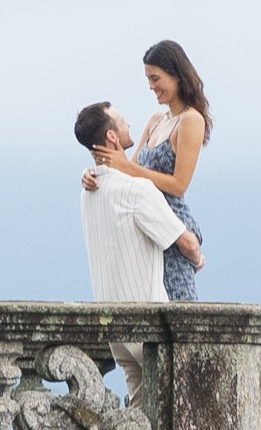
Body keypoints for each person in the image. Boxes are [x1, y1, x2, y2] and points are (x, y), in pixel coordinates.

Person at [84, 40, 212, 305]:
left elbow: (179, 184)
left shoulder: (190, 120)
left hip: (172, 227)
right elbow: (125, 171)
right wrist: (92, 173)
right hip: (146, 224)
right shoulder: (156, 120)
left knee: (177, 312)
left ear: (176, 75)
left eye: (155, 78)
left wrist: (128, 167)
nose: (151, 86)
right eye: (148, 79)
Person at [75, 101, 203, 306]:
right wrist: (197, 259)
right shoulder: (137, 191)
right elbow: (188, 244)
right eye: (123, 121)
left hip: (108, 311)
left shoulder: (88, 193)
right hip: (148, 312)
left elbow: (124, 170)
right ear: (112, 136)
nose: (129, 124)